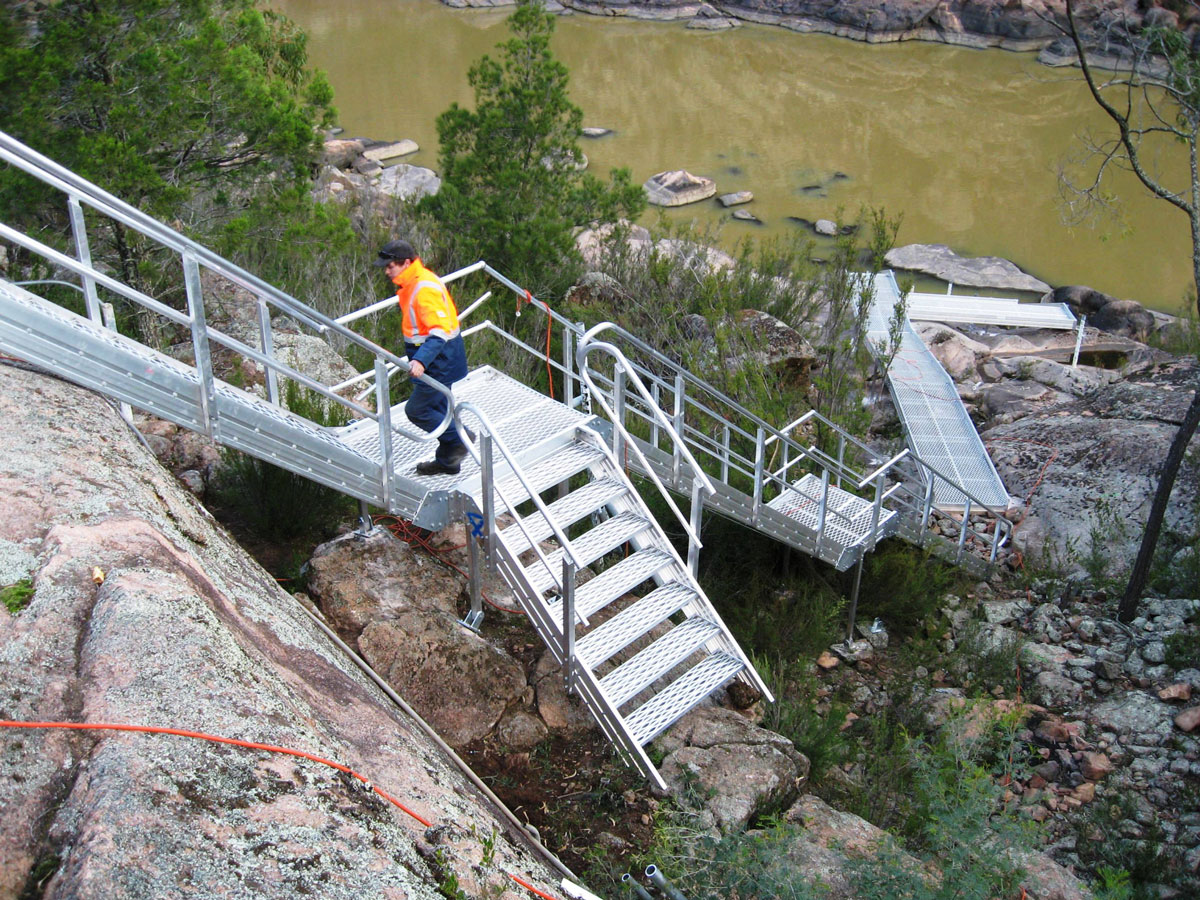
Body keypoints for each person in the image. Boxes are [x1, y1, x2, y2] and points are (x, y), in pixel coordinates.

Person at [373, 239, 470, 476]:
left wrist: (421, 360)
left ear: (406, 263)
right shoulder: (414, 282)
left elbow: (439, 331)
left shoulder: (423, 288)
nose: (387, 271)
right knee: (439, 408)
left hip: (439, 361)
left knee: (417, 410)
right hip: (440, 358)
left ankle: (460, 440)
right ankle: (448, 462)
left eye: (390, 266)